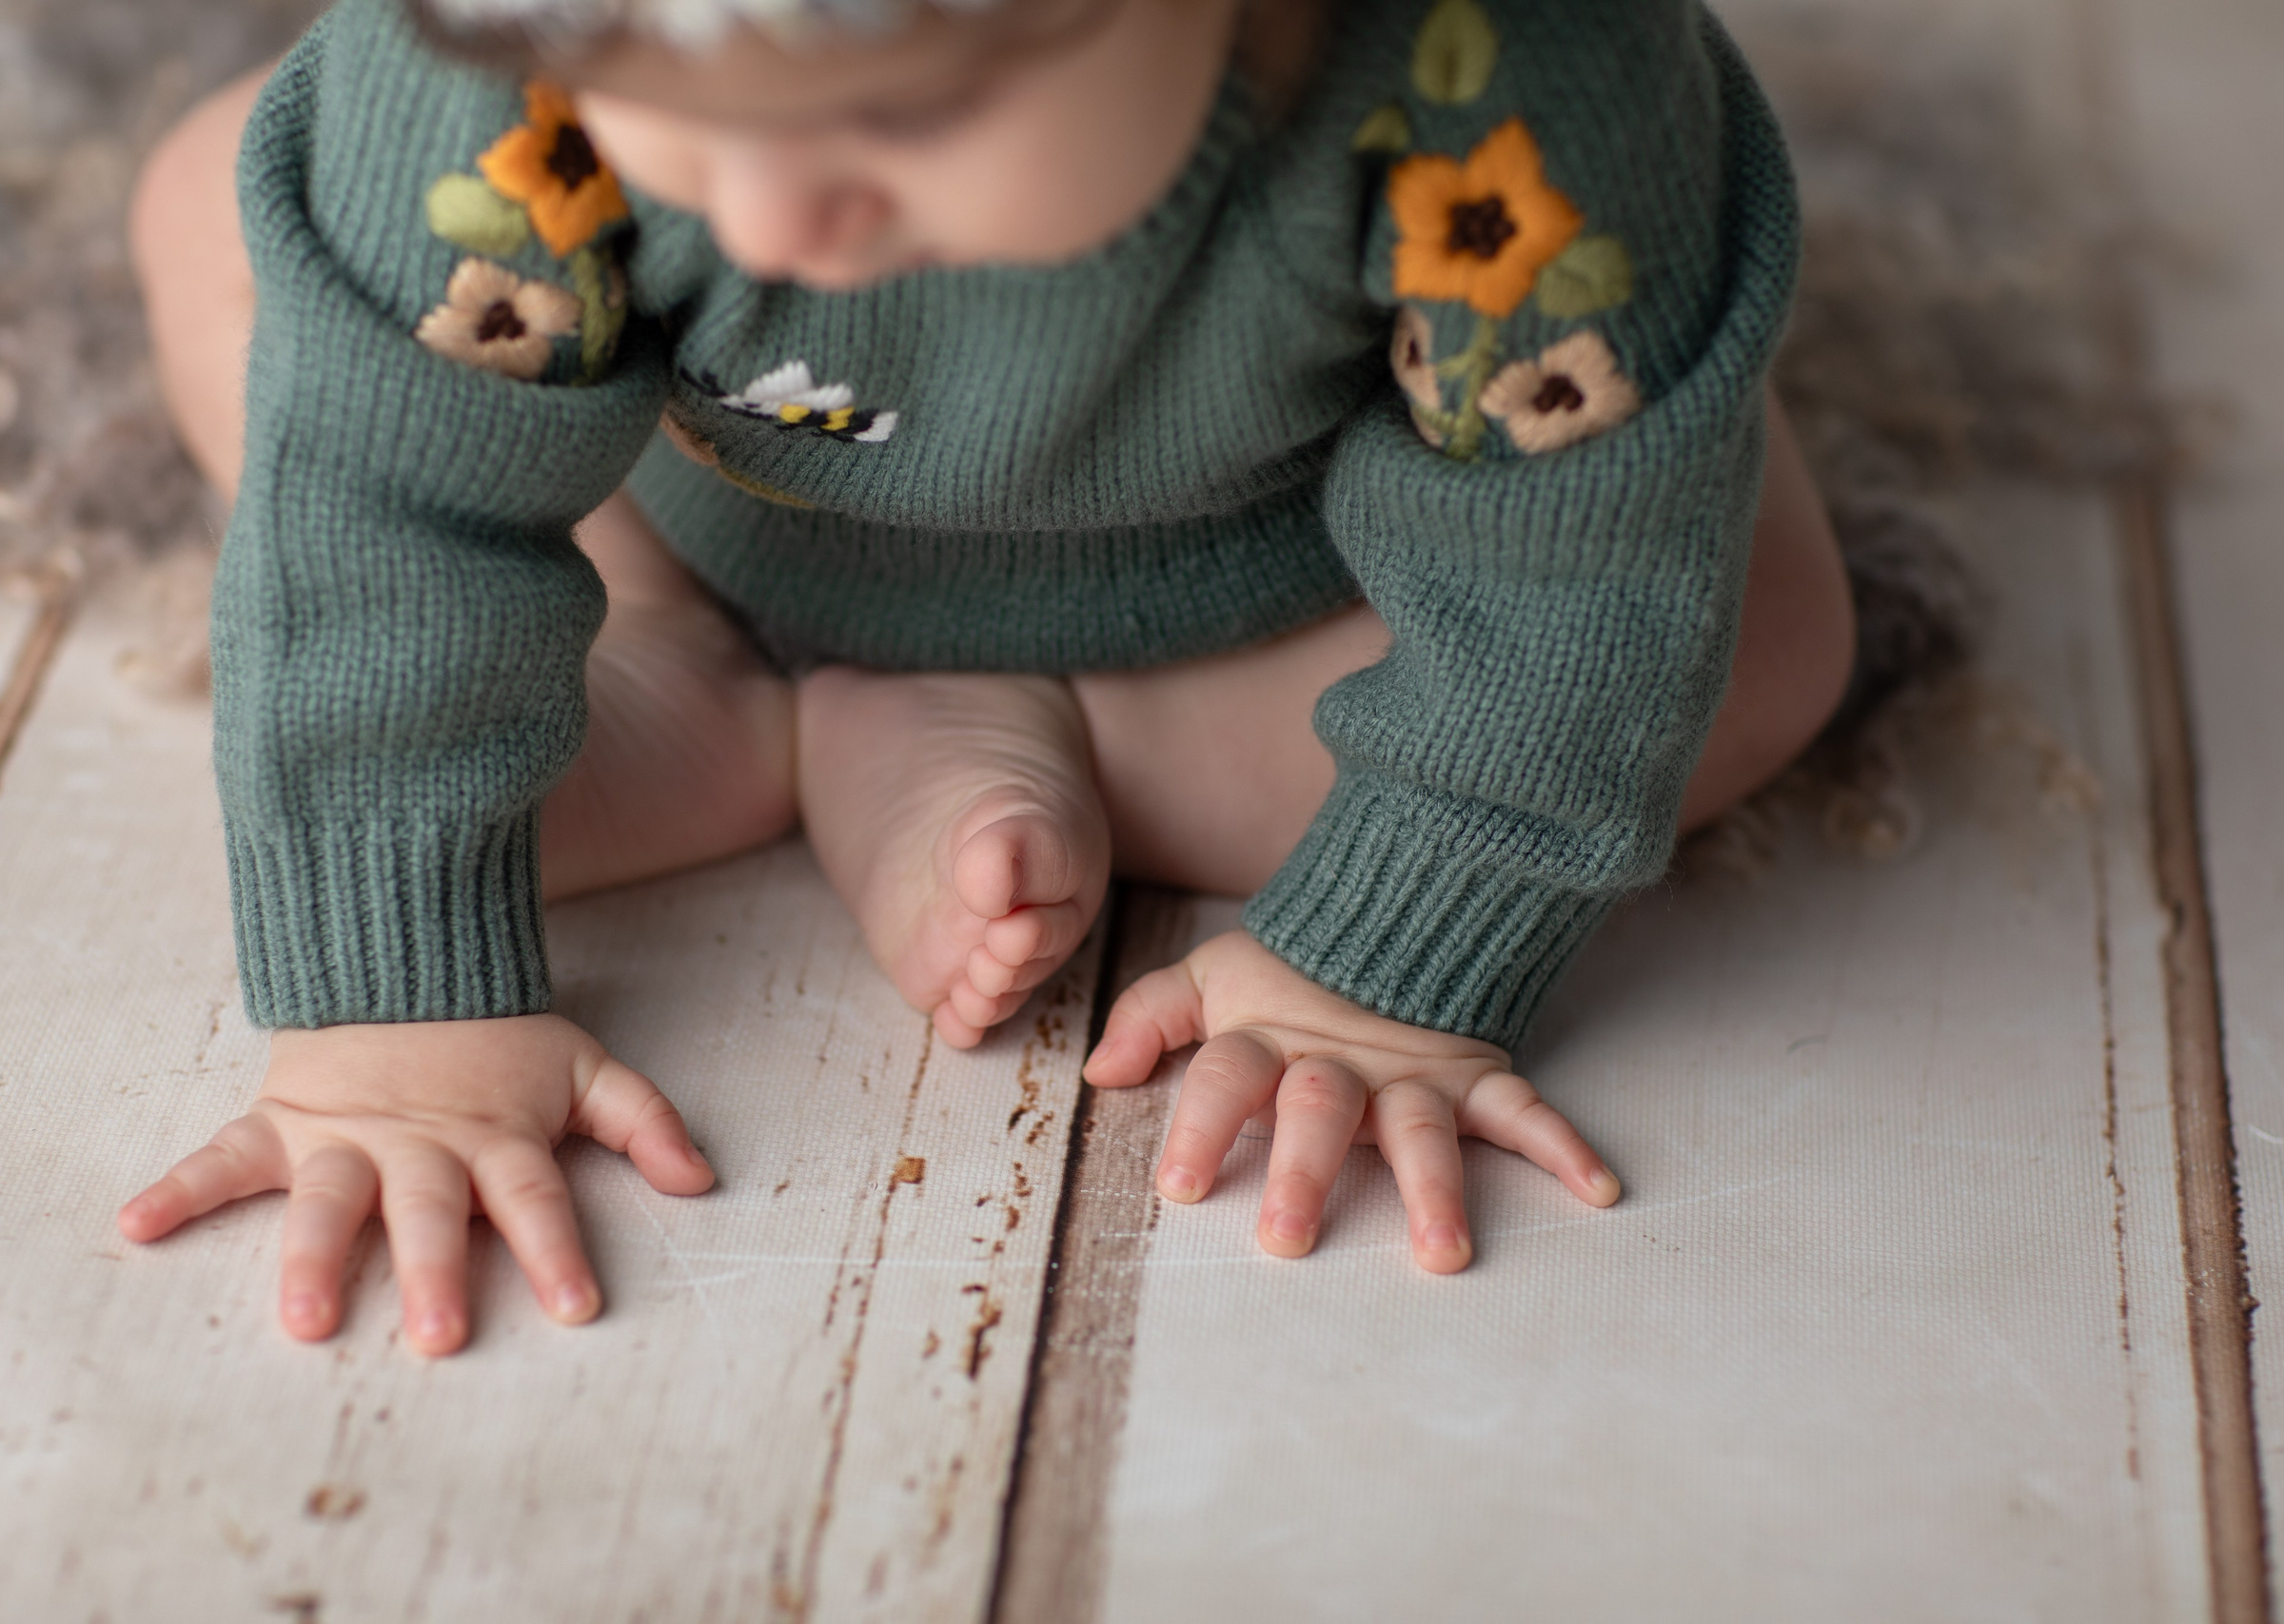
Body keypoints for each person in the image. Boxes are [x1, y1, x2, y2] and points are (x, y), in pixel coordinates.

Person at [117, 0, 1854, 1356]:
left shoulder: (1519, 67)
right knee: (227, 188)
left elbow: (1578, 565)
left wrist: (1390, 961)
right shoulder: (513, 59)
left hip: (1290, 575)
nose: (782, 217)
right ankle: (679, 659)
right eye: (681, 124)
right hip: (684, 493)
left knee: (1751, 630)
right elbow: (388, 492)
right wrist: (401, 1010)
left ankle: (1089, 731)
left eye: (908, 113)